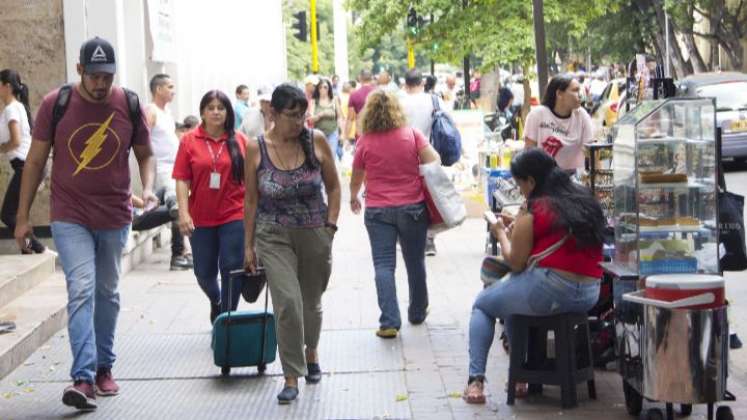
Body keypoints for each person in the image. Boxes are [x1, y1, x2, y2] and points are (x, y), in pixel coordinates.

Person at [14, 37, 156, 411]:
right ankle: (82, 377)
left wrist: (151, 188)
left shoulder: (128, 103)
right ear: (79, 70)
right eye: (93, 76)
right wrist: (22, 217)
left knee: (106, 293)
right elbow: (33, 162)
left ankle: (105, 366)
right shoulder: (55, 104)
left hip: (114, 214)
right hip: (70, 214)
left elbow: (145, 155)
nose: (100, 84)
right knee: (81, 289)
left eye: (106, 76)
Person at [462, 149, 603, 404]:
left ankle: (476, 381)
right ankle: (520, 377)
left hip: (550, 290)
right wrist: (518, 226)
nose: (520, 190)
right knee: (514, 304)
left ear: (532, 181)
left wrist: (500, 233)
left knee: (483, 304)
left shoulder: (535, 208)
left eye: (520, 184)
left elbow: (515, 262)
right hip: (590, 293)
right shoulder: (584, 199)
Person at [243, 84, 340, 404]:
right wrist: (249, 246)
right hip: (272, 235)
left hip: (314, 232)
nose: (299, 122)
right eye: (292, 116)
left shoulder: (317, 141)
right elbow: (251, 200)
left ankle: (311, 353)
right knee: (287, 303)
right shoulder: (256, 148)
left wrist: (330, 227)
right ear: (273, 113)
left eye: (303, 115)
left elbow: (334, 188)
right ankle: (291, 376)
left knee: (310, 302)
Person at [349, 89, 440, 339]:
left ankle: (389, 321)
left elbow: (356, 175)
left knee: (383, 264)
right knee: (415, 261)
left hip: (378, 210)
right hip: (413, 208)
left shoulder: (365, 141)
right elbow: (435, 160)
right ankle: (417, 311)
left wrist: (353, 197)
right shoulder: (412, 135)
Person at [173, 90, 247, 325]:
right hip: (201, 217)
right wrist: (183, 213)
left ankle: (227, 320)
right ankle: (216, 301)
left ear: (228, 112)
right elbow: (182, 179)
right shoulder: (189, 140)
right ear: (202, 112)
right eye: (211, 107)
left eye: (221, 107)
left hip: (234, 214)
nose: (216, 112)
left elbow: (254, 179)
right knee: (203, 272)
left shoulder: (240, 140)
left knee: (231, 267)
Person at [144, 73, 191, 270]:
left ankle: (181, 253)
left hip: (174, 168)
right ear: (158, 89)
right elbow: (142, 143)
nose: (173, 91)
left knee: (177, 208)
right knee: (176, 206)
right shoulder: (150, 110)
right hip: (162, 169)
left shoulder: (168, 113)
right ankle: (180, 253)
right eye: (169, 87)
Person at [398, 69, 443, 256]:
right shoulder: (433, 100)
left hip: (404, 153)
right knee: (429, 196)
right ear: (422, 83)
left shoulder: (399, 102)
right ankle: (429, 239)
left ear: (406, 84)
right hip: (429, 152)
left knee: (408, 195)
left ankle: (411, 236)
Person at [0, 69, 45, 253]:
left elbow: (16, 140)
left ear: (7, 86)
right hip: (27, 168)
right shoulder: (15, 107)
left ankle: (37, 247)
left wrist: (1, 148)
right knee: (17, 215)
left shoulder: (11, 109)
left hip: (26, 168)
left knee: (8, 214)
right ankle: (28, 250)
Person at [524, 74, 594, 172]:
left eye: (579, 90)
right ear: (559, 94)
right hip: (545, 180)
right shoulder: (537, 115)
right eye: (575, 90)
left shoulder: (582, 115)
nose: (580, 95)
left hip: (574, 181)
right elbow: (528, 155)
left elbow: (592, 152)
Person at [309, 78, 342, 162]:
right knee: (319, 157)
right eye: (320, 87)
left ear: (329, 88)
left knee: (331, 157)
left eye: (325, 87)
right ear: (317, 89)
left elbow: (339, 117)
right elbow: (311, 119)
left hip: (332, 132)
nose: (323, 89)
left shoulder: (334, 99)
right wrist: (322, 114)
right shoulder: (314, 101)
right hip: (318, 134)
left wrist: (341, 133)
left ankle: (330, 174)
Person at [346, 69, 376, 139]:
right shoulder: (378, 93)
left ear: (360, 78)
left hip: (361, 133)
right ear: (371, 78)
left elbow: (350, 118)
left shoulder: (354, 95)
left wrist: (346, 138)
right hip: (376, 132)